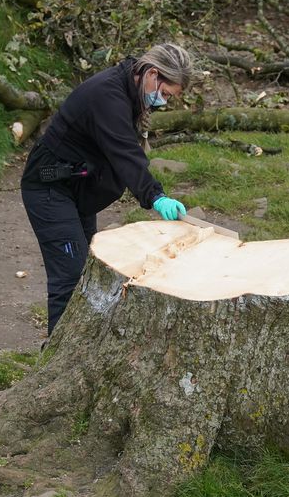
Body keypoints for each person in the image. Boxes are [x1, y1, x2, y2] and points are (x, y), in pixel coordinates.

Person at [20, 43, 193, 336]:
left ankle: (80, 347)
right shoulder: (108, 95)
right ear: (152, 74)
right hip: (50, 188)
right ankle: (56, 357)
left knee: (90, 271)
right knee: (70, 277)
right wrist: (155, 195)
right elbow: (125, 152)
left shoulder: (130, 88)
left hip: (79, 188)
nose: (162, 100)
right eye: (164, 93)